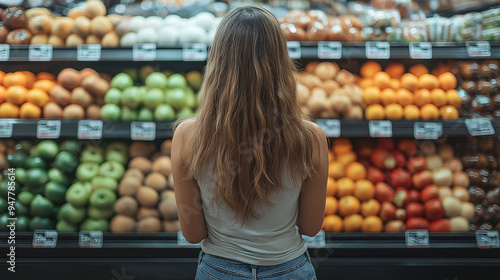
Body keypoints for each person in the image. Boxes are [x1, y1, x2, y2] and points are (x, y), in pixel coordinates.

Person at [171, 5, 328, 280]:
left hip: (218, 270)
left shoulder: (187, 135)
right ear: (281, 61)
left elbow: (193, 234)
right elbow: (310, 227)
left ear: (217, 61)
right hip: (290, 269)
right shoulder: (311, 138)